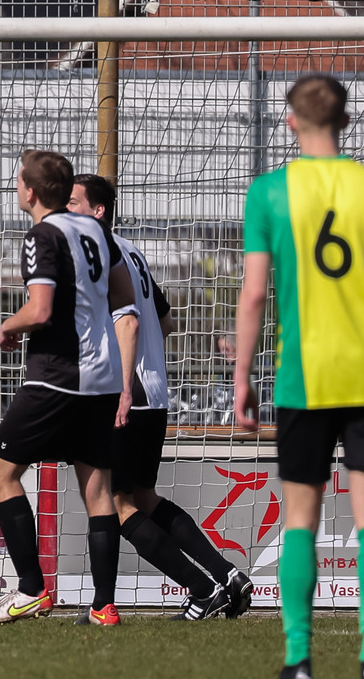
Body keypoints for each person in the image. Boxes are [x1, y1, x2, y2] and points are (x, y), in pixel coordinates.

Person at [70, 173, 251, 620]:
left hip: (123, 395)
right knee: (144, 497)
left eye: (73, 202)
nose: (65, 209)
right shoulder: (131, 250)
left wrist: (119, 377)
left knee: (117, 504)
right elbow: (167, 322)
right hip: (154, 393)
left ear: (98, 211)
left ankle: (201, 590)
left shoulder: (99, 252)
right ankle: (227, 575)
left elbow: (128, 323)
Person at [233, 74, 364, 679]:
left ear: (290, 120)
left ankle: (298, 660)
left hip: (302, 380)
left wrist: (242, 375)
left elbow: (254, 294)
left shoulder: (269, 191)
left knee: (301, 523)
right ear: (345, 121)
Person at [0, 150, 138, 626]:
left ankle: (31, 590)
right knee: (98, 490)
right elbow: (123, 295)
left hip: (57, 377)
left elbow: (41, 309)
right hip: (102, 377)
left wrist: (7, 326)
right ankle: (103, 606)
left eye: (18, 181)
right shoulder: (95, 230)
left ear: (29, 191)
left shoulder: (41, 235)